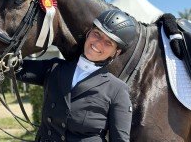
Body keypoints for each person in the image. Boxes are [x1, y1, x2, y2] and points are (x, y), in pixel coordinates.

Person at [16, 8, 137, 142]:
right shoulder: (54, 68)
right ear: (88, 33)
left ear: (116, 52)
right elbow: (12, 67)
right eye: (97, 34)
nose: (98, 43)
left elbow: (120, 139)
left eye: (108, 42)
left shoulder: (117, 89)